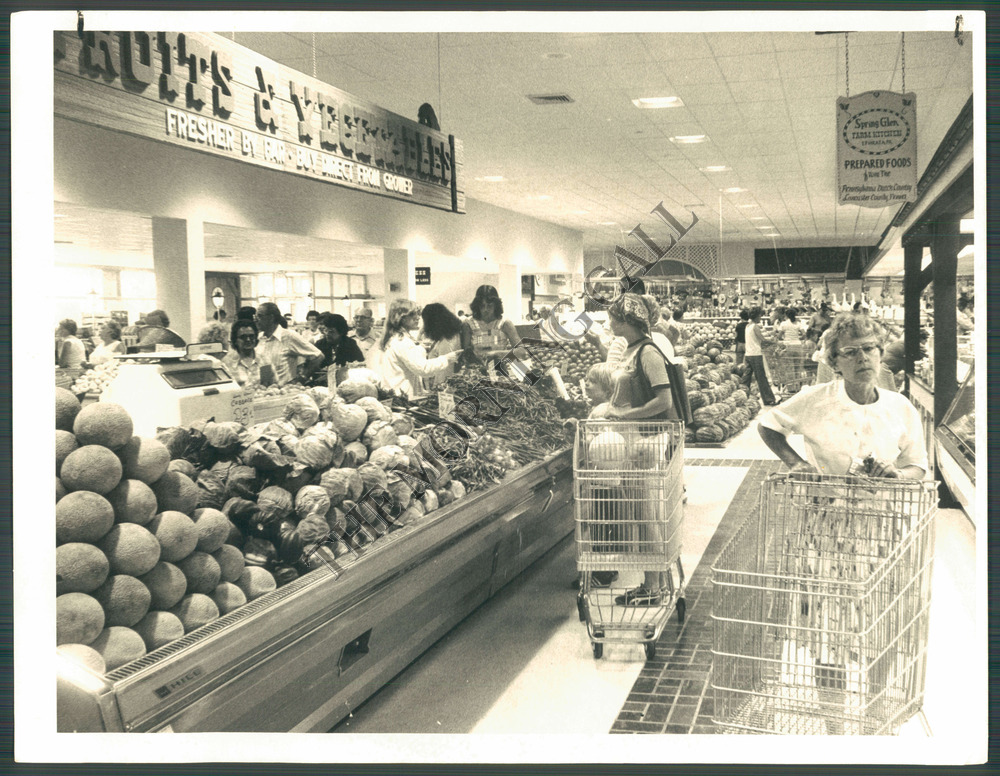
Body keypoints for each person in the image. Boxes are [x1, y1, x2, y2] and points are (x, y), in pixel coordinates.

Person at [758, 312, 927, 479]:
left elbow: (917, 465)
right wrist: (796, 463)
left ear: (881, 354)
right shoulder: (815, 399)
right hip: (827, 501)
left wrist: (899, 475)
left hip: (884, 503)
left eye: (869, 349)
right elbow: (767, 425)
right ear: (834, 362)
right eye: (850, 352)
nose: (862, 358)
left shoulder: (901, 406)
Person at [601, 293, 677, 608]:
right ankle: (653, 583)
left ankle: (654, 587)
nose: (609, 323)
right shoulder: (633, 350)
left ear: (628, 320)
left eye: (613, 318)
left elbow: (664, 401)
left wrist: (623, 416)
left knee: (646, 516)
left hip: (647, 441)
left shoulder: (648, 352)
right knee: (643, 515)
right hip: (637, 441)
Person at [381, 299, 460, 398]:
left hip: (399, 393)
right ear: (401, 318)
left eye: (418, 314)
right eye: (412, 314)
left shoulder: (397, 338)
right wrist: (446, 359)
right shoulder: (402, 341)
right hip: (403, 396)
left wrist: (420, 348)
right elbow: (423, 369)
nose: (417, 318)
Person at [254, 302, 324, 386]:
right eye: (255, 316)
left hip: (284, 393)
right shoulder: (259, 338)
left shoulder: (289, 336)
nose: (256, 319)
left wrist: (302, 378)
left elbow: (318, 356)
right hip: (263, 392)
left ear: (271, 318)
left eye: (259, 316)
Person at [461, 285, 522, 369]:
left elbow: (521, 351)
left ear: (496, 305)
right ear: (477, 306)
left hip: (500, 372)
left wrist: (497, 354)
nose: (485, 309)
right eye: (482, 306)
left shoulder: (505, 323)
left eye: (489, 306)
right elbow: (465, 352)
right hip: (476, 374)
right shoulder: (468, 324)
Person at [420, 303, 464, 389]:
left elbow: (445, 373)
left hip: (441, 389)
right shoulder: (447, 336)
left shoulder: (447, 341)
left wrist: (436, 391)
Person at [743, 307, 777, 406]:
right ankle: (769, 399)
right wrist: (773, 342)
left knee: (746, 378)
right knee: (761, 377)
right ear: (756, 316)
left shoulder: (747, 326)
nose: (760, 318)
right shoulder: (755, 326)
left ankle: (742, 396)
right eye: (760, 316)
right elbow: (762, 339)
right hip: (756, 355)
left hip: (748, 354)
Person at [222, 318, 266, 388]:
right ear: (235, 340)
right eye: (243, 337)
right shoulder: (226, 363)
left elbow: (274, 384)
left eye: (251, 336)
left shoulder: (264, 360)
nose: (248, 340)